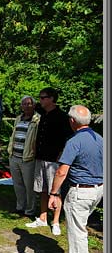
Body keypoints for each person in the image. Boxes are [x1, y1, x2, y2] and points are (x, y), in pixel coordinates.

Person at [48, 105, 102, 253]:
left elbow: (62, 171)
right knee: (81, 227)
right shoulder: (100, 139)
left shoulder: (74, 141)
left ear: (72, 121)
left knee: (77, 232)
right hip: (98, 189)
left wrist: (54, 193)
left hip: (80, 191)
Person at [26, 87, 75, 236]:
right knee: (42, 189)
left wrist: (61, 155)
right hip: (41, 157)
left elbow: (69, 138)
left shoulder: (61, 117)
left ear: (52, 98)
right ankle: (42, 217)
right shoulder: (43, 115)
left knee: (56, 190)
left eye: (43, 97)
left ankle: (55, 221)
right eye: (40, 97)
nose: (40, 100)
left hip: (54, 159)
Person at [7, 96, 40, 217]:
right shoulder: (18, 119)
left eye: (29, 104)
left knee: (29, 185)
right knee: (17, 183)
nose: (26, 106)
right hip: (14, 155)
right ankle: (20, 206)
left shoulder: (37, 120)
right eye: (24, 104)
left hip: (27, 158)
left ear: (34, 105)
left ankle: (30, 209)